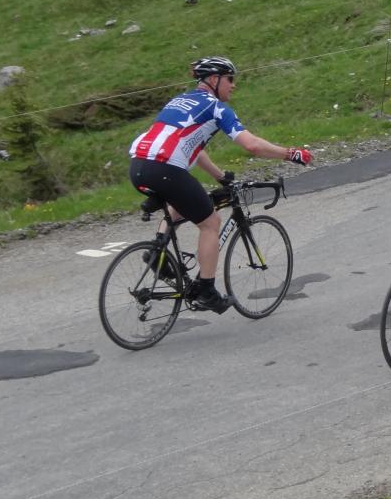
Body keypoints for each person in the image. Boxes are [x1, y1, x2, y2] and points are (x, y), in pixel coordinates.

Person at [127, 56, 312, 313]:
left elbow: (195, 149)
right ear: (214, 80)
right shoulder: (216, 109)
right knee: (210, 222)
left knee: (182, 202)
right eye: (230, 79)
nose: (233, 85)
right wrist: (290, 153)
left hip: (138, 166)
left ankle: (159, 251)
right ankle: (207, 290)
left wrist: (219, 176)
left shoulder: (178, 100)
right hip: (165, 168)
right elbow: (252, 145)